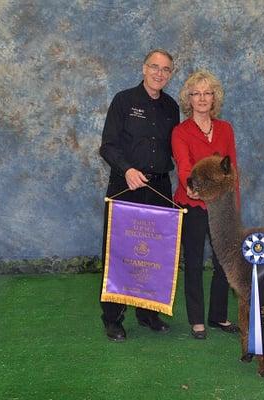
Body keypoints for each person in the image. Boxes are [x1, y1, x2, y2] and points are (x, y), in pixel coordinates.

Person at [99, 49, 180, 341]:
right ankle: (112, 318)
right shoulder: (123, 100)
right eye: (154, 67)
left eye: (166, 69)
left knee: (156, 252)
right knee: (120, 252)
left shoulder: (172, 107)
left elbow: (177, 148)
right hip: (126, 185)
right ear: (144, 68)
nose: (160, 73)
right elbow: (107, 146)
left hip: (159, 187)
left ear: (171, 74)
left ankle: (148, 312)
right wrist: (128, 169)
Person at [172, 70, 240, 339]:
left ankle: (218, 316)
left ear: (214, 98)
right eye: (196, 93)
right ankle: (197, 320)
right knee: (195, 262)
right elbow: (184, 166)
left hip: (221, 207)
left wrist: (234, 203)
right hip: (192, 204)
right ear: (188, 99)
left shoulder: (225, 129)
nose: (202, 98)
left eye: (207, 93)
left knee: (225, 260)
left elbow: (232, 169)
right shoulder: (180, 132)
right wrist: (195, 189)